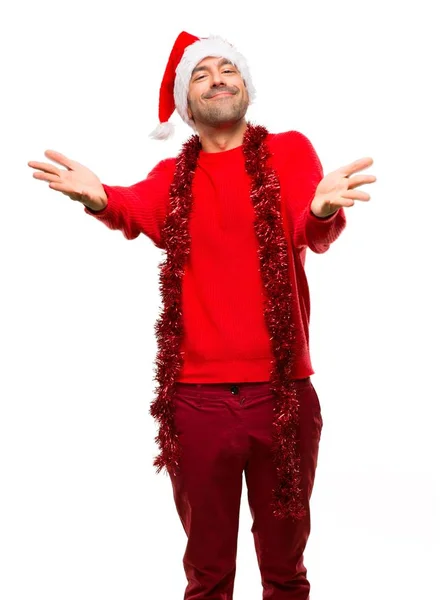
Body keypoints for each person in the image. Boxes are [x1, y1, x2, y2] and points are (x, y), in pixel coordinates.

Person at [28, 30, 376, 600]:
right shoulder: (174, 178)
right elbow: (130, 206)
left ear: (246, 87)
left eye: (227, 69)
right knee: (208, 574)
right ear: (186, 105)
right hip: (196, 401)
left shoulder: (289, 151)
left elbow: (311, 231)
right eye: (200, 73)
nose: (217, 78)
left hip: (283, 395)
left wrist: (321, 208)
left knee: (286, 572)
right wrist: (97, 198)